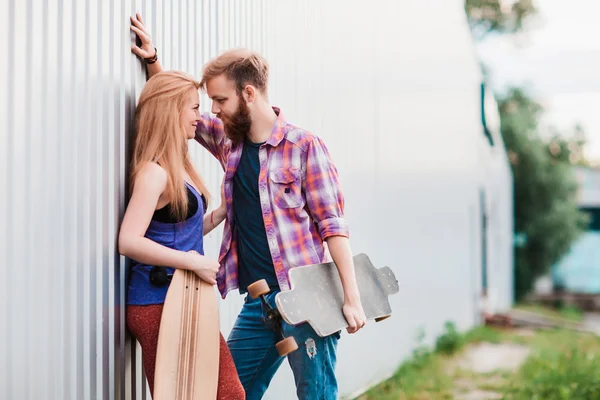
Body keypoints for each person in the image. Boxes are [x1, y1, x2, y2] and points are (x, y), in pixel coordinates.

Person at [131, 13, 367, 400]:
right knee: (228, 392)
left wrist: (351, 298)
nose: (215, 109)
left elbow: (333, 226)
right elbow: (179, 109)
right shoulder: (230, 143)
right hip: (258, 304)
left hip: (305, 299)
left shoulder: (304, 146)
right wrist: (153, 60)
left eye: (221, 99)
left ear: (249, 94)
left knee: (316, 394)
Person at [118, 70, 244, 399]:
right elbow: (129, 241)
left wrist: (218, 215)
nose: (199, 118)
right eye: (193, 108)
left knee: (224, 394)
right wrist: (192, 263)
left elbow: (177, 233)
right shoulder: (152, 173)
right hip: (158, 301)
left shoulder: (178, 167)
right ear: (171, 111)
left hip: (184, 296)